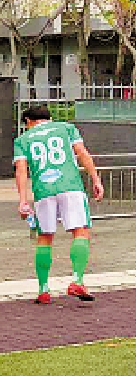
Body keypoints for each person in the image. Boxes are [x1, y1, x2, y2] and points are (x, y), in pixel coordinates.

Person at [12, 103, 104, 304]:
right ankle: (77, 280)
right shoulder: (67, 128)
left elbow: (21, 170)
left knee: (44, 237)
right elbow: (82, 153)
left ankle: (43, 289)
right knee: (80, 231)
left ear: (28, 122)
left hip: (43, 190)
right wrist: (95, 179)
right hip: (70, 186)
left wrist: (22, 200)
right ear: (49, 118)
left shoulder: (22, 140)